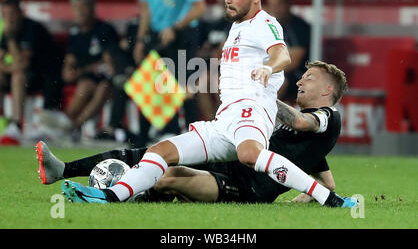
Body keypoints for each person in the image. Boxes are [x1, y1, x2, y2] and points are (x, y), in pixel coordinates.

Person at [59, 0, 357, 208]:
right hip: (225, 119)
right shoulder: (237, 27)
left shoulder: (265, 23)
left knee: (250, 155)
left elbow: (282, 53)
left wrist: (268, 68)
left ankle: (328, 200)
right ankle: (110, 196)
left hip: (250, 114)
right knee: (161, 151)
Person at [36, 61, 346, 205]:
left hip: (245, 187)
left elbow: (302, 123)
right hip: (228, 163)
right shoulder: (314, 139)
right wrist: (312, 197)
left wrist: (260, 94)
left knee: (168, 176)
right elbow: (324, 177)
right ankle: (64, 170)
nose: (301, 82)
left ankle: (123, 198)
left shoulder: (326, 117)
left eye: (308, 78)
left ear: (328, 89)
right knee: (149, 156)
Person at [135, 0, 206, 138]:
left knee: (184, 87)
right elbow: (146, 10)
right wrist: (140, 39)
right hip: (158, 34)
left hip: (183, 35)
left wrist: (175, 27)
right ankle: (148, 136)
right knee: (152, 87)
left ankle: (195, 135)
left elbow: (199, 7)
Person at [39, 0, 119, 139]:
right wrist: (68, 69)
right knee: (85, 85)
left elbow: (111, 61)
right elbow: (70, 60)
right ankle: (66, 121)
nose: (80, 12)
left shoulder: (105, 30)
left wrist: (84, 70)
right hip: (87, 78)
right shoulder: (75, 33)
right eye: (76, 8)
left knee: (102, 88)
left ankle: (71, 126)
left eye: (83, 7)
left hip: (108, 79)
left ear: (92, 8)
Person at [0, 0, 62, 145]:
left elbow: (23, 63)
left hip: (43, 77)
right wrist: (9, 67)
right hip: (23, 73)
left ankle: (15, 125)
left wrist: (12, 39)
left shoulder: (31, 29)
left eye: (12, 14)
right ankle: (3, 122)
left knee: (18, 76)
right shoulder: (7, 32)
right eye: (5, 15)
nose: (9, 18)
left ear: (20, 13)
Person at [265, 0, 311, 103]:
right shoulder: (259, 25)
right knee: (217, 81)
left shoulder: (299, 27)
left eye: (279, 5)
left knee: (278, 81)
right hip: (214, 67)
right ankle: (221, 118)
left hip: (295, 75)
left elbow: (292, 62)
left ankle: (262, 117)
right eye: (271, 5)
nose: (275, 9)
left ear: (288, 5)